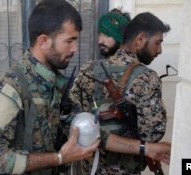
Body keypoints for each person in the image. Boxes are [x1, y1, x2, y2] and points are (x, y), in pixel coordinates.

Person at [0, 1, 170, 174]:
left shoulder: (57, 86)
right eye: (69, 41)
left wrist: (146, 148)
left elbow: (92, 134)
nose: (75, 49)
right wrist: (59, 158)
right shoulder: (11, 85)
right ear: (43, 41)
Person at [70, 11, 170, 174]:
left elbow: (73, 121)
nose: (159, 50)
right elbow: (152, 136)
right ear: (140, 39)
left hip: (90, 168)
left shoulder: (87, 70)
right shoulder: (147, 78)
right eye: (157, 43)